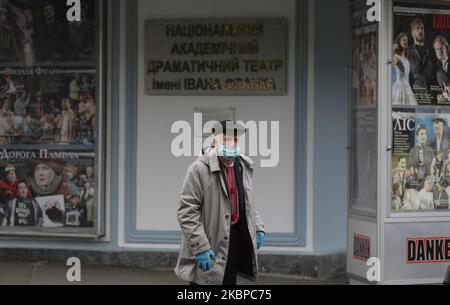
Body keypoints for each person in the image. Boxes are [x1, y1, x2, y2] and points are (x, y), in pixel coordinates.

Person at [175, 121, 265, 285]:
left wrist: (258, 227)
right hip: (210, 243)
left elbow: (248, 202)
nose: (231, 144)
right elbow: (187, 212)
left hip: (236, 240)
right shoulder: (199, 169)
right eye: (225, 140)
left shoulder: (242, 166)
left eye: (235, 140)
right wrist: (200, 247)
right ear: (214, 141)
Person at [408, 19, 434, 93]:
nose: (420, 31)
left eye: (422, 28)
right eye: (418, 28)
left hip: (430, 97)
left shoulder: (431, 52)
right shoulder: (407, 52)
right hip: (413, 96)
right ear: (412, 33)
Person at [393, 33, 417, 106]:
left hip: (407, 87)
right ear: (399, 42)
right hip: (399, 88)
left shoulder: (407, 59)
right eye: (404, 40)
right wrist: (393, 49)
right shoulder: (395, 57)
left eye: (406, 40)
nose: (406, 42)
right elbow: (402, 69)